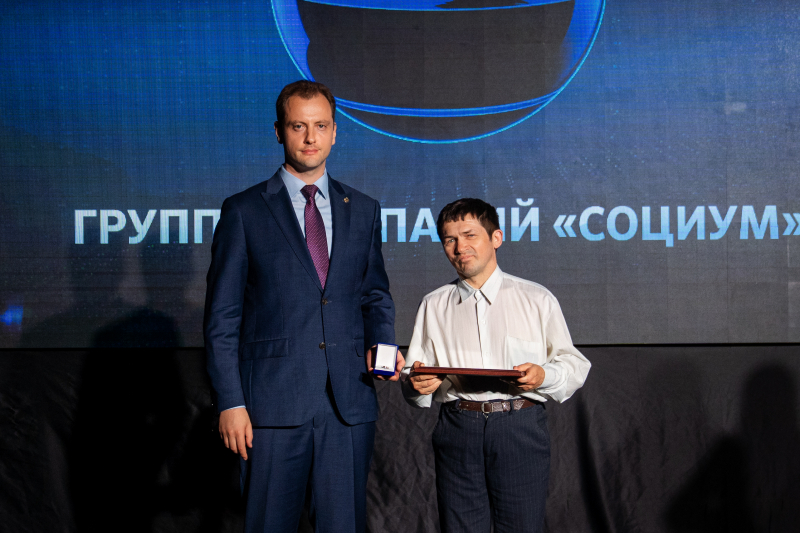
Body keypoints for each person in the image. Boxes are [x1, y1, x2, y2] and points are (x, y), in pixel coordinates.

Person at [204, 80, 402, 533]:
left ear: (335, 132)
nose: (311, 137)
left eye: (321, 126)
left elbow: (374, 295)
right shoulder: (243, 210)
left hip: (347, 404)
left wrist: (384, 349)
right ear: (279, 131)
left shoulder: (364, 209)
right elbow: (222, 317)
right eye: (298, 126)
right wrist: (230, 401)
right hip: (269, 407)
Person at [401, 198, 590, 533]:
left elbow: (573, 365)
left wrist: (544, 375)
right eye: (449, 239)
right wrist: (416, 384)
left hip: (519, 426)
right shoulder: (433, 304)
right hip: (458, 426)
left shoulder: (536, 298)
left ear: (496, 238)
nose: (460, 247)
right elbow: (414, 376)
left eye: (470, 235)